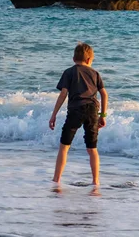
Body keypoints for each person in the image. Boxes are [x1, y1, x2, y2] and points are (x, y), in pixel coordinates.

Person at [49, 42, 108, 185]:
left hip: (76, 110)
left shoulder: (69, 72)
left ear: (73, 59)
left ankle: (56, 180)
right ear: (89, 60)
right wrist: (102, 115)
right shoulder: (95, 73)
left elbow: (63, 94)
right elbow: (104, 94)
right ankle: (96, 181)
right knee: (92, 148)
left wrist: (54, 114)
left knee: (64, 146)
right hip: (92, 111)